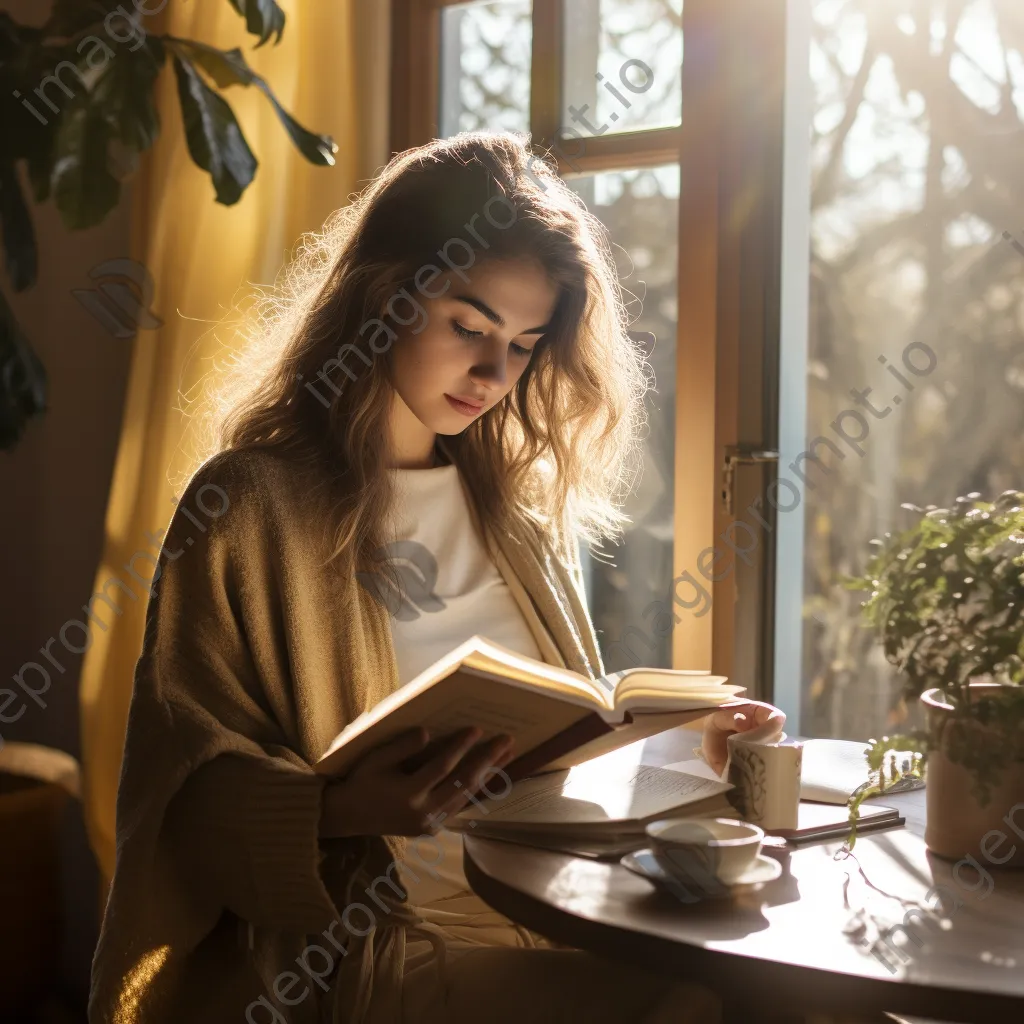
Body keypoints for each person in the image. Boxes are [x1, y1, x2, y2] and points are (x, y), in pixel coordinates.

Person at [88, 131, 784, 1024]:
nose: (495, 374)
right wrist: (338, 808)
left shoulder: (513, 516)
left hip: (554, 905)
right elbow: (176, 797)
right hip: (370, 951)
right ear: (381, 295)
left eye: (526, 345)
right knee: (692, 1003)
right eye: (469, 328)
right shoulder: (247, 507)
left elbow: (556, 754)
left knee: (775, 992)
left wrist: (691, 751)